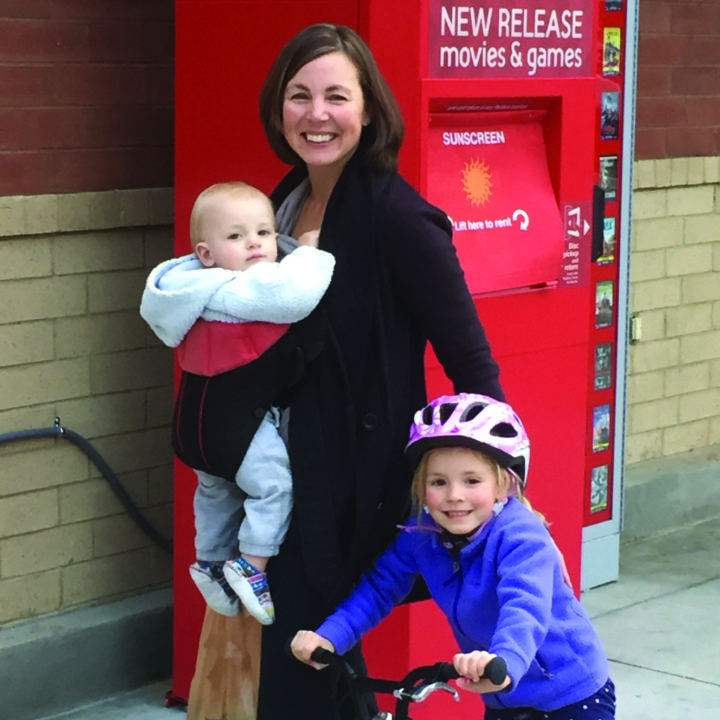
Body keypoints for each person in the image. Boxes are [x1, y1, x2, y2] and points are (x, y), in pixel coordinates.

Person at [256, 22, 505, 719]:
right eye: (299, 96)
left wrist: (489, 494)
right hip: (284, 482)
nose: (317, 113)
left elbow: (474, 366)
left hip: (349, 490)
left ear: (368, 111)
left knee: (299, 670)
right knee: (319, 665)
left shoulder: (399, 219)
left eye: (337, 95)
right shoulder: (278, 205)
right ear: (279, 109)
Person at [292, 393, 616, 720]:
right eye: (439, 482)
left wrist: (504, 661)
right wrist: (330, 636)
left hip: (569, 693)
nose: (454, 496)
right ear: (421, 488)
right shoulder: (422, 535)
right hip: (502, 694)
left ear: (504, 484)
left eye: (472, 480)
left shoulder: (521, 536)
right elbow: (380, 587)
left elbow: (525, 607)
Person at [139, 181, 335, 625]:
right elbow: (296, 295)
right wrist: (306, 250)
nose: (255, 244)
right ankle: (252, 565)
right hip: (236, 428)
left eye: (265, 233)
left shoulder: (186, 288)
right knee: (274, 486)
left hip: (190, 427)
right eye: (237, 236)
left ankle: (210, 563)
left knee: (216, 492)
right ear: (206, 254)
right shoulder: (242, 291)